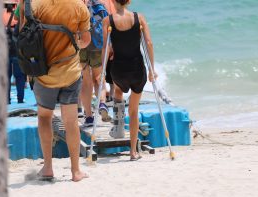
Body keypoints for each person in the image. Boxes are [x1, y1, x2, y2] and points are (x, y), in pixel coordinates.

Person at [19, 0, 91, 182]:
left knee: (44, 117)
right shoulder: (79, 6)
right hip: (71, 73)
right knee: (71, 121)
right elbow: (86, 42)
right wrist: (73, 44)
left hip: (44, 73)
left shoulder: (34, 5)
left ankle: (48, 168)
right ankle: (75, 171)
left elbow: (24, 37)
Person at [102, 0, 157, 161]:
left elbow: (105, 48)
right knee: (134, 110)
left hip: (118, 69)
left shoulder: (108, 21)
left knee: (118, 91)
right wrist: (152, 70)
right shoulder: (139, 18)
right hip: (137, 69)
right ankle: (133, 152)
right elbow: (149, 43)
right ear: (129, 1)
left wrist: (102, 72)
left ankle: (118, 124)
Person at [79, 0, 111, 127]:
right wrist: (109, 47)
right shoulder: (100, 7)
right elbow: (108, 29)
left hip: (81, 46)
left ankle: (88, 117)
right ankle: (102, 102)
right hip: (97, 47)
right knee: (99, 78)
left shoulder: (76, 6)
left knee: (86, 81)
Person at [5, 2, 26, 104]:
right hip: (18, 50)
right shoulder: (19, 15)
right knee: (20, 77)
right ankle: (20, 99)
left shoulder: (0, 16)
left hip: (5, 50)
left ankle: (6, 100)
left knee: (6, 76)